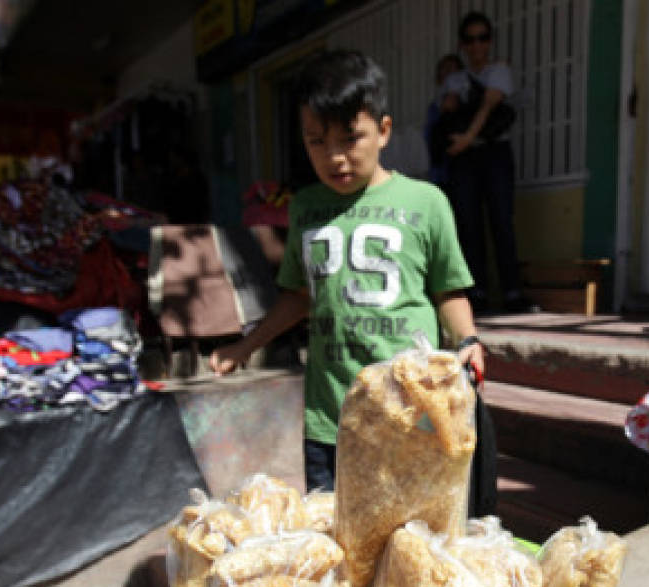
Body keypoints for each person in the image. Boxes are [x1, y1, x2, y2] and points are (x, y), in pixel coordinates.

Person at [209, 49, 484, 494]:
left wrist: (467, 341)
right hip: (331, 417)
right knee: (341, 542)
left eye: (350, 138)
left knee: (410, 545)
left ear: (384, 131)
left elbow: (448, 291)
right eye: (317, 141)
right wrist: (246, 346)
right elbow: (299, 297)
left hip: (411, 411)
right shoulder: (304, 208)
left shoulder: (427, 202)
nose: (334, 156)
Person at [440, 10, 534, 315]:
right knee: (469, 225)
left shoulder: (499, 71)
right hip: (464, 158)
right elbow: (447, 107)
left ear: (490, 41)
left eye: (482, 38)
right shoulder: (455, 77)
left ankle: (512, 291)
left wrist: (467, 137)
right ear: (462, 44)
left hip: (493, 152)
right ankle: (476, 292)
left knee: (501, 221)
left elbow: (487, 107)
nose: (477, 45)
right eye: (470, 39)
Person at [424, 53, 463, 190]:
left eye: (453, 70)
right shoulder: (434, 106)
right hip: (439, 170)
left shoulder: (467, 104)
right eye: (445, 69)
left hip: (461, 170)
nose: (449, 74)